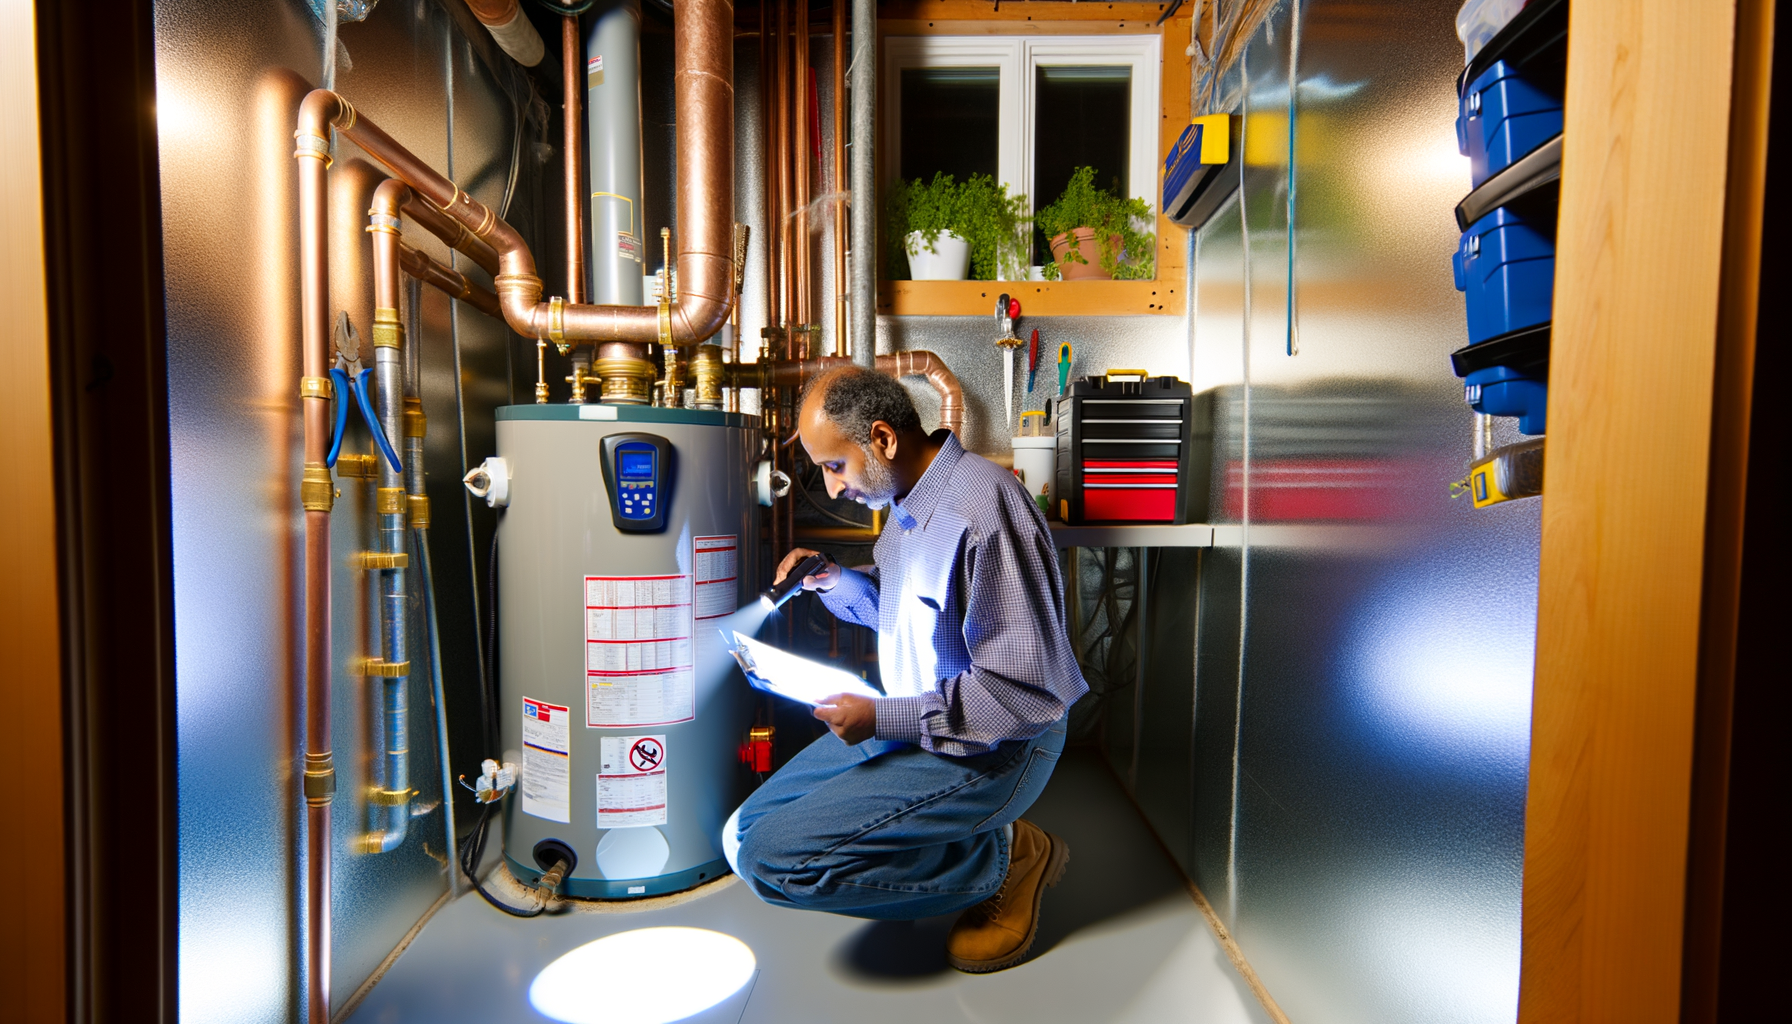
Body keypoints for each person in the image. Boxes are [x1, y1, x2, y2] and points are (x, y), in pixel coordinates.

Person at [722, 365, 1088, 973]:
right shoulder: (907, 506)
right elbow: (906, 610)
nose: (832, 489)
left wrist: (882, 718)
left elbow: (1021, 693)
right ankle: (948, 846)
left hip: (997, 746)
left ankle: (1004, 859)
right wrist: (835, 581)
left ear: (883, 439)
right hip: (920, 723)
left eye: (835, 466)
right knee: (742, 834)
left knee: (774, 862)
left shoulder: (983, 507)